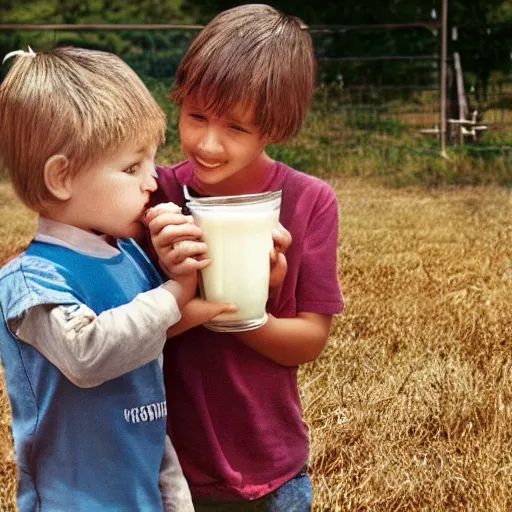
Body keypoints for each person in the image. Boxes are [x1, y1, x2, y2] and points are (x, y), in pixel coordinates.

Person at [0, 46, 231, 511]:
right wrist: (175, 290)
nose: (153, 181)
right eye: (131, 168)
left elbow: (148, 348)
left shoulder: (129, 257)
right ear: (61, 178)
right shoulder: (30, 283)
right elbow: (90, 354)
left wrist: (190, 272)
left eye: (152, 161)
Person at [141, 4, 344, 511]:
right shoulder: (154, 195)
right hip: (167, 472)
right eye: (196, 116)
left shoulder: (310, 201)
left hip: (273, 468)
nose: (208, 144)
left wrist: (246, 305)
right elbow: (120, 340)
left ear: (273, 126)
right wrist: (177, 283)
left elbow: (309, 340)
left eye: (236, 127)